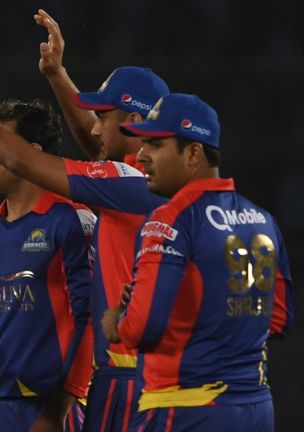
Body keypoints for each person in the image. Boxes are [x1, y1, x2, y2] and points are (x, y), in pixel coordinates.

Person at [0, 30, 168, 431]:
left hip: (130, 374)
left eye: (104, 118)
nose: (94, 130)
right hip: (128, 371)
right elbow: (99, 152)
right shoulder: (137, 182)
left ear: (135, 122)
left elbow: (19, 156)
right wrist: (57, 75)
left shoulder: (127, 185)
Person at [101, 93, 293, 430]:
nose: (140, 155)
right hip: (256, 408)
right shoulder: (262, 219)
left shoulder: (170, 219)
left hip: (184, 409)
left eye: (154, 145)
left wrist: (116, 321)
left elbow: (142, 329)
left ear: (193, 153)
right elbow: (277, 320)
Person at [0, 98, 95, 432]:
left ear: (30, 153)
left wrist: (57, 410)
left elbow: (88, 319)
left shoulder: (73, 220)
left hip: (48, 410)